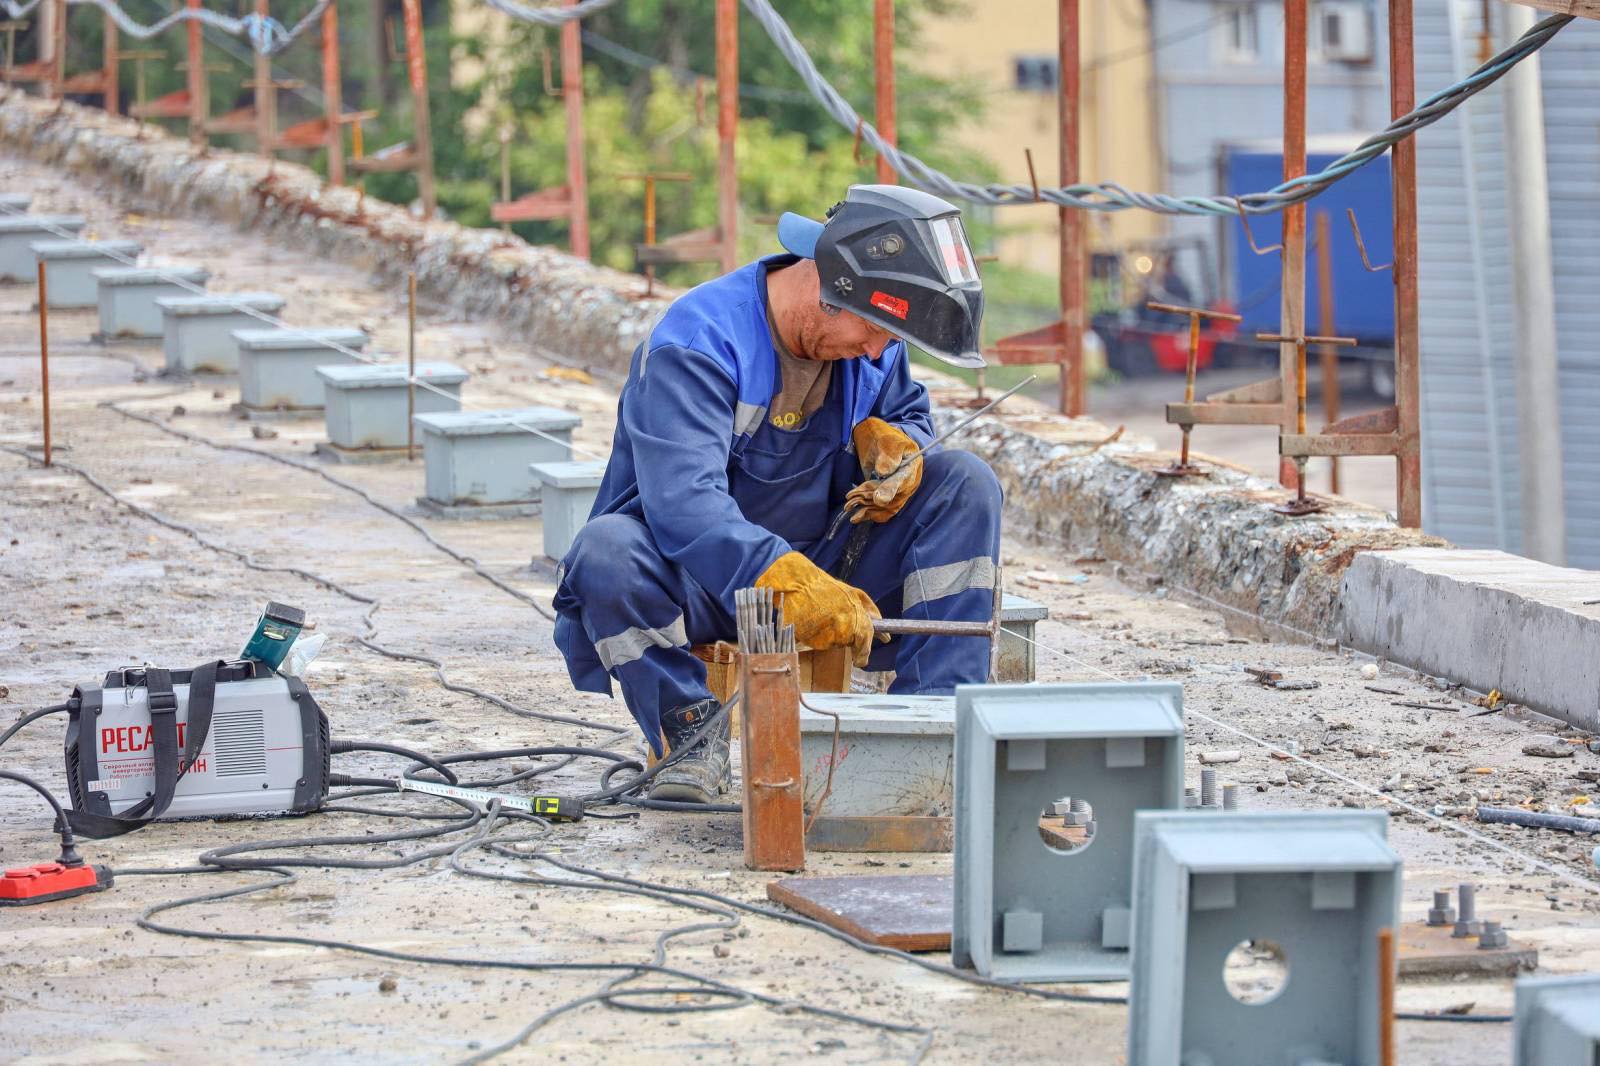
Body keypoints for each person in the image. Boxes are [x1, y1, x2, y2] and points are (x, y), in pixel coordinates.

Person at [553, 184, 1003, 804]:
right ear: (826, 285)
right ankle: (689, 734)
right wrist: (780, 576)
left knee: (964, 481)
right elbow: (686, 506)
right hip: (699, 581)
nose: (878, 352)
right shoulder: (697, 342)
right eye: (875, 330)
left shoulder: (871, 344)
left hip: (832, 560)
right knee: (604, 552)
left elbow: (908, 410)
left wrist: (903, 448)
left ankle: (933, 724)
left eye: (891, 341)